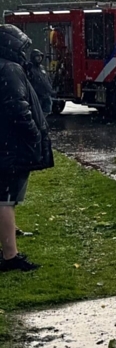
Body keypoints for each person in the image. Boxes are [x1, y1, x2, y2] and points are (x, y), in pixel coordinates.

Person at [1, 25, 54, 273]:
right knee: (6, 200)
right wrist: (33, 133)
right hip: (11, 145)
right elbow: (17, 107)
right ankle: (11, 256)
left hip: (6, 142)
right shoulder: (9, 69)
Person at [25, 49, 54, 116]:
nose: (39, 58)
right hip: (38, 95)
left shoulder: (42, 68)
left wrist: (50, 89)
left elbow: (47, 79)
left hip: (46, 95)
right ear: (33, 57)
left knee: (47, 111)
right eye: (37, 56)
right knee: (38, 113)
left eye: (40, 56)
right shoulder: (30, 68)